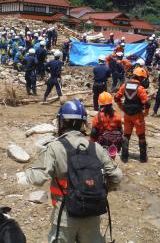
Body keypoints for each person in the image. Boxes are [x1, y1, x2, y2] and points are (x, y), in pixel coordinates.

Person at [25, 99, 122, 243]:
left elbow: (38, 179)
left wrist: (27, 173)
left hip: (65, 216)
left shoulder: (54, 148)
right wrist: (100, 190)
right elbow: (117, 177)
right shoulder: (96, 148)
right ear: (83, 123)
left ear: (62, 122)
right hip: (92, 214)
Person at [114, 68, 151, 163]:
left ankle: (124, 157)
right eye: (142, 78)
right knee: (141, 136)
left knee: (126, 135)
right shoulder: (140, 88)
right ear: (139, 77)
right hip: (138, 115)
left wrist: (122, 108)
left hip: (127, 115)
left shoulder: (124, 85)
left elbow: (116, 98)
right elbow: (147, 103)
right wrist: (146, 113)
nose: (143, 80)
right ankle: (143, 158)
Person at [91, 92, 124, 158]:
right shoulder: (117, 115)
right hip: (114, 145)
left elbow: (93, 132)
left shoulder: (98, 117)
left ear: (100, 103)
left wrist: (92, 145)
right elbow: (121, 131)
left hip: (101, 144)